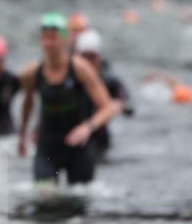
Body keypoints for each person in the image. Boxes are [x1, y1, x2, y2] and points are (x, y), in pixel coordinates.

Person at [18, 13, 118, 185]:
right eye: (45, 39)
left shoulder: (80, 68)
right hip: (47, 145)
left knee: (80, 199)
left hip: (77, 145)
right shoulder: (32, 72)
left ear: (64, 40)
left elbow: (107, 108)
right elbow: (28, 103)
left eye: (53, 38)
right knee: (45, 198)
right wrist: (23, 135)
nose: (48, 44)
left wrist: (87, 127)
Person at [74, 29, 133, 160]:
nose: (88, 61)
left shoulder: (109, 80)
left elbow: (129, 107)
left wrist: (119, 105)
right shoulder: (69, 79)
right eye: (85, 56)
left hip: (98, 137)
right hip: (73, 133)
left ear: (99, 58)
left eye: (92, 56)